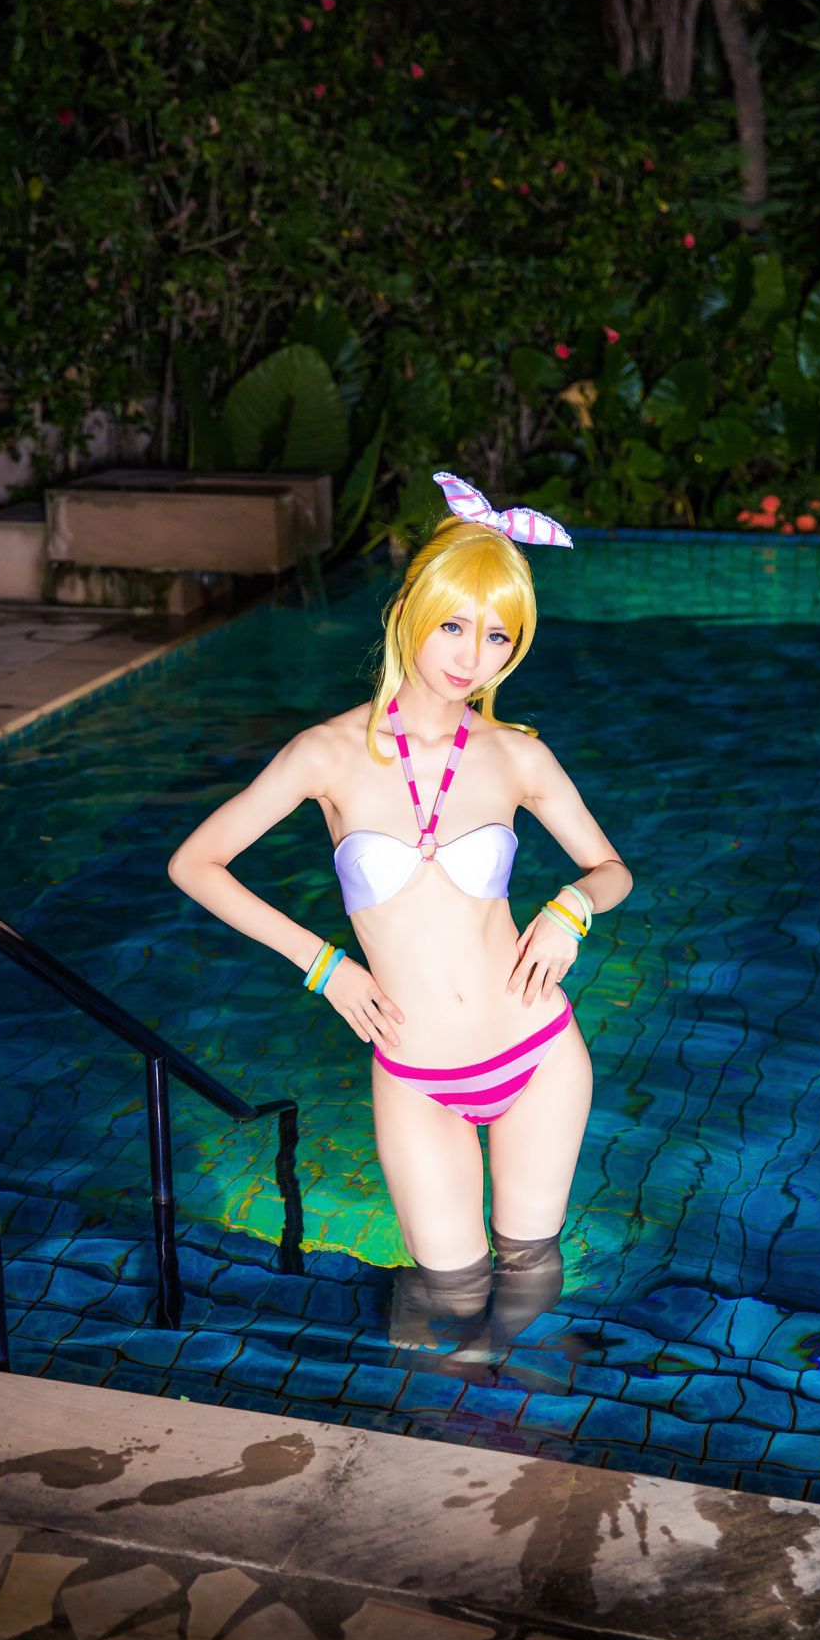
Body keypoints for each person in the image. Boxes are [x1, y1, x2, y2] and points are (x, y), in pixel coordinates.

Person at [168, 470, 633, 1336]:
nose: (471, 655)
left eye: (497, 635)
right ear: (409, 609)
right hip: (418, 1075)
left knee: (530, 1269)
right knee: (448, 1291)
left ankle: (519, 1403)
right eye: (454, 624)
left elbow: (612, 868)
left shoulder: (516, 755)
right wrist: (324, 965)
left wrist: (572, 907)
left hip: (538, 1051)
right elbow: (196, 864)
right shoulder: (326, 753)